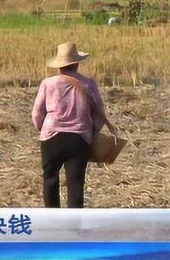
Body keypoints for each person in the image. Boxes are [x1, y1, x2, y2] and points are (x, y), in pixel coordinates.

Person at [31, 42, 116, 208]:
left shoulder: (48, 83)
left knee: (50, 178)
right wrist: (91, 132)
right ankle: (74, 224)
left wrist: (43, 129)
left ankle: (52, 220)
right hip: (79, 138)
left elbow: (37, 113)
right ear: (77, 63)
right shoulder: (88, 84)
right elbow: (99, 114)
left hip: (51, 137)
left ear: (59, 65)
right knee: (76, 183)